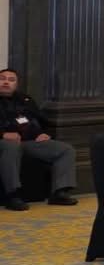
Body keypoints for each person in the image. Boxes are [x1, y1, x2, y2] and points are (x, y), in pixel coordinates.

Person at [0, 67, 78, 209]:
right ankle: (13, 195)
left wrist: (41, 133)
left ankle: (59, 192)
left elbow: (39, 121)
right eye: (2, 79)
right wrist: (3, 134)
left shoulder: (25, 100)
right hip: (4, 143)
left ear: (16, 84)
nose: (6, 82)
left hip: (28, 142)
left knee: (65, 149)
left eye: (11, 80)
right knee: (11, 146)